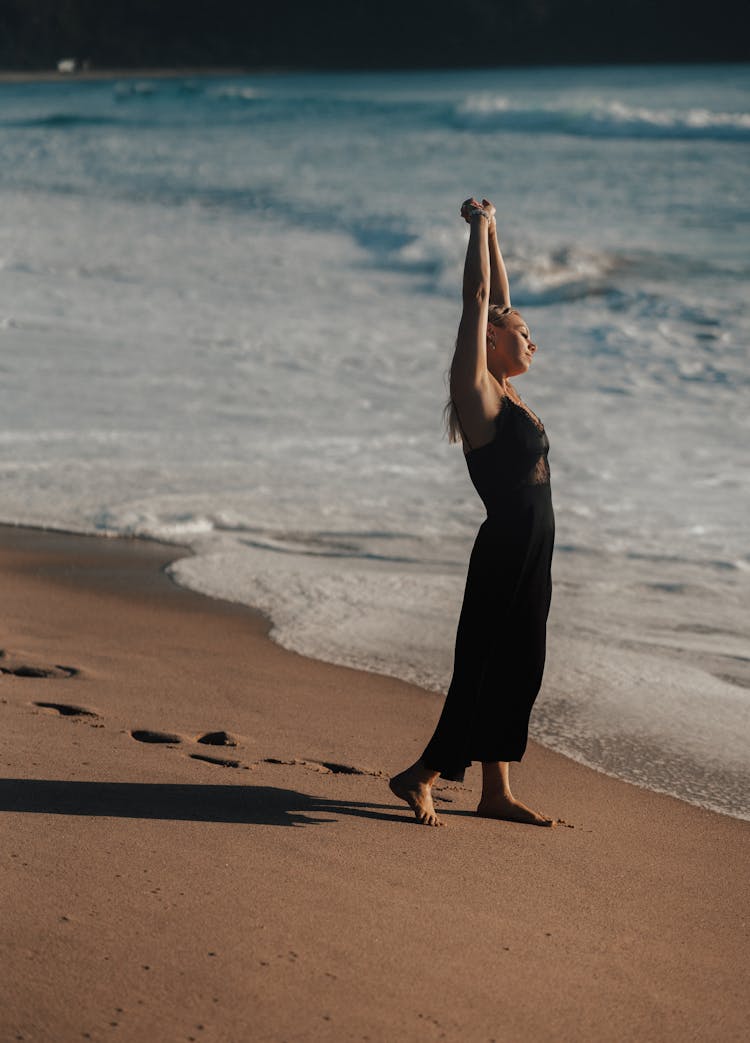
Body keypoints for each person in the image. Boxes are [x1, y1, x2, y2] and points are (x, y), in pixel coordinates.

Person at [390, 197, 557, 828]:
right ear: (489, 340)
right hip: (504, 553)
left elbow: (498, 297)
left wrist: (498, 229)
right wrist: (479, 226)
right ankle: (420, 775)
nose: (532, 339)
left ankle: (494, 791)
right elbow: (480, 297)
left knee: (520, 665)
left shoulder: (507, 388)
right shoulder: (477, 389)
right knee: (485, 667)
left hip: (534, 551)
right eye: (522, 332)